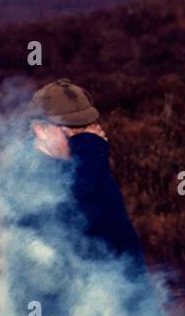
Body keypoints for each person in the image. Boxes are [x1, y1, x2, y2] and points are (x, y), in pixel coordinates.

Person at [26, 79, 147, 277]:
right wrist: (91, 153)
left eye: (88, 126)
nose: (84, 136)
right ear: (41, 130)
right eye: (71, 129)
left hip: (116, 294)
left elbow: (118, 236)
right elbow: (80, 220)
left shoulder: (85, 164)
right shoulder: (28, 175)